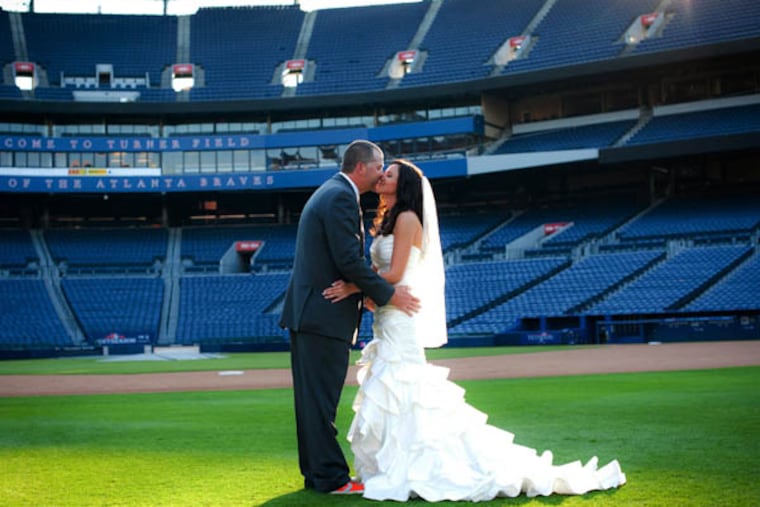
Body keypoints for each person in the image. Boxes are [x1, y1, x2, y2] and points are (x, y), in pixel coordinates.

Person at [323, 159, 627, 502]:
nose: (381, 177)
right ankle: (396, 465)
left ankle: (415, 468)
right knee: (394, 392)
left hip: (399, 318)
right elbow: (385, 277)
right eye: (382, 172)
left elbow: (394, 276)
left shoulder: (408, 219)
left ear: (403, 184)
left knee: (403, 390)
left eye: (389, 174)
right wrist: (371, 297)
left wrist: (354, 288)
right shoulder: (388, 222)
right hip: (388, 314)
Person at [279, 140, 420, 496]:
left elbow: (346, 264)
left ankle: (317, 474)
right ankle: (330, 478)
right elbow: (348, 261)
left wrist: (363, 290)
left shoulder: (332, 191)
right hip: (322, 315)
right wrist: (387, 294)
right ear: (362, 167)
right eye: (378, 168)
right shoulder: (340, 196)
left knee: (312, 403)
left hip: (312, 313)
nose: (380, 175)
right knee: (321, 402)